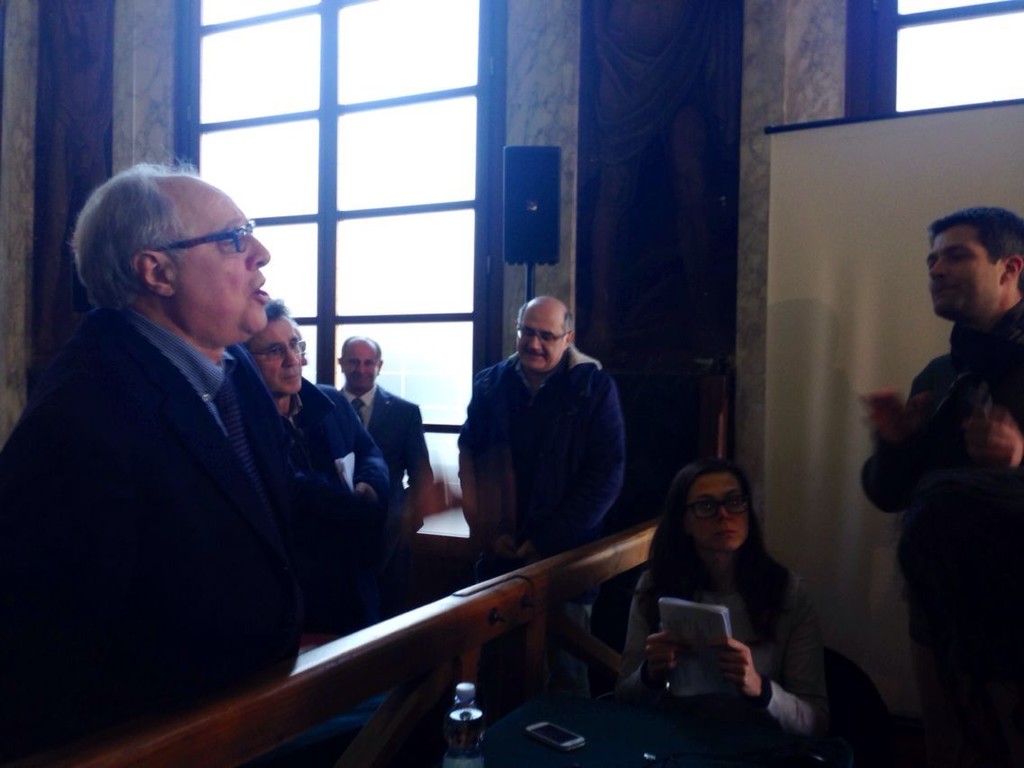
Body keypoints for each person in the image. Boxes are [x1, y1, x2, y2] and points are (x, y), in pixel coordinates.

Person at [0, 163, 301, 758]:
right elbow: (42, 657)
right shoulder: (81, 417)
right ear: (157, 271)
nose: (261, 253)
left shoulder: (235, 369)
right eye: (234, 239)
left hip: (259, 714)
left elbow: (262, 512)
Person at [861, 206, 1024, 767]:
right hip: (938, 620)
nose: (935, 269)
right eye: (931, 259)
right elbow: (890, 496)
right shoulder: (939, 374)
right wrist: (895, 445)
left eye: (956, 255)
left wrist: (1019, 462)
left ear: (1010, 268)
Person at [458, 295, 626, 696]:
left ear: (568, 338)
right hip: (499, 555)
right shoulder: (490, 383)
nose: (534, 344)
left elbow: (606, 476)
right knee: (493, 674)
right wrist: (486, 529)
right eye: (527, 332)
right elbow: (469, 456)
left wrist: (544, 541)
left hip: (566, 560)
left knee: (566, 677)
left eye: (546, 336)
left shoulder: (593, 387)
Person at [616, 458, 828, 737]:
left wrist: (760, 689)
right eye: (706, 506)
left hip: (756, 746)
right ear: (684, 521)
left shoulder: (788, 592)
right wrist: (649, 674)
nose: (724, 514)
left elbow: (816, 722)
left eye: (734, 501)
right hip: (673, 741)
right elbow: (622, 698)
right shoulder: (655, 586)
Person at [248, 300, 388, 636]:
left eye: (295, 345)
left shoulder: (331, 401)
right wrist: (363, 511)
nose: (292, 360)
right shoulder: (246, 423)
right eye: (274, 351)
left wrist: (369, 485)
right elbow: (297, 494)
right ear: (244, 361)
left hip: (354, 578)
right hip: (296, 595)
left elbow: (369, 451)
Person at [339, 335, 434, 618]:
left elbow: (421, 475)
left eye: (369, 362)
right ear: (341, 363)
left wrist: (406, 521)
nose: (361, 369)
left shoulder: (405, 413)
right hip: (335, 533)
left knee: (391, 617)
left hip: (391, 538)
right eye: (354, 362)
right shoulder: (323, 408)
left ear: (379, 366)